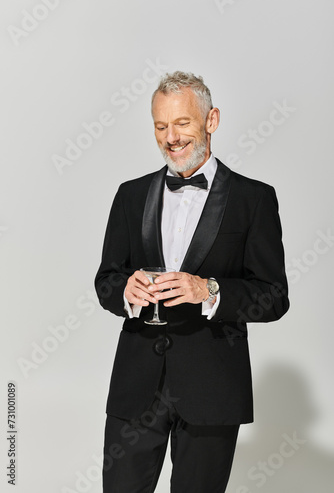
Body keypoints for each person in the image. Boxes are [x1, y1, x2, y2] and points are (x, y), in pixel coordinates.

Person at [95, 71, 289, 492]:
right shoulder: (130, 195)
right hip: (136, 386)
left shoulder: (254, 199)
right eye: (160, 126)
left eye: (182, 123)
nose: (171, 137)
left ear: (211, 120)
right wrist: (124, 290)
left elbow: (273, 297)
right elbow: (106, 280)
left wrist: (210, 291)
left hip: (213, 390)